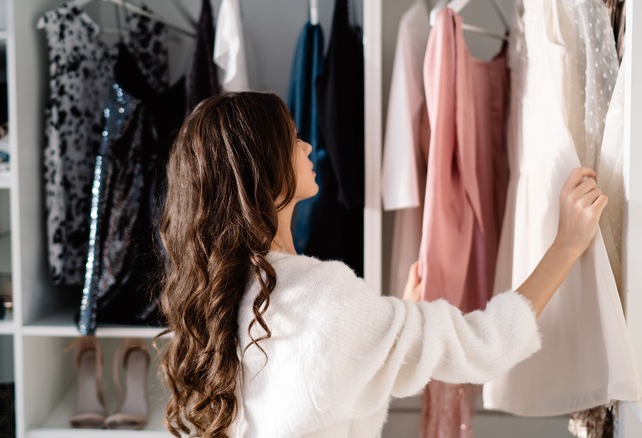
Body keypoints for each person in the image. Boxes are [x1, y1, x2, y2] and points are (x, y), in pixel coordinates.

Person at [157, 92, 607, 437]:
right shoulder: (320, 297)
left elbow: (330, 381)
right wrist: (566, 245)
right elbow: (481, 345)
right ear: (262, 168)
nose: (308, 145)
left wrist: (393, 322)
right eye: (292, 138)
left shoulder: (229, 300)